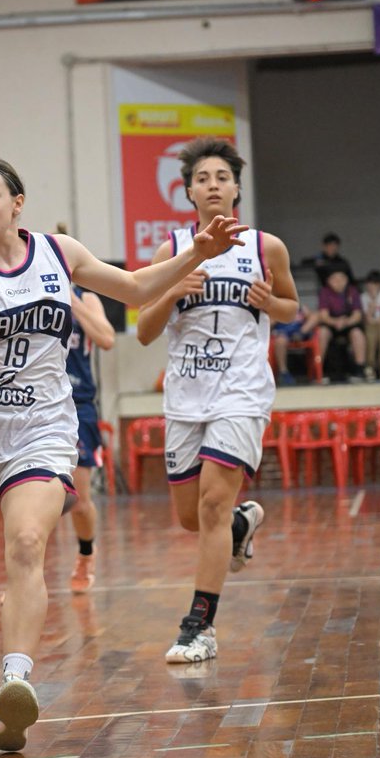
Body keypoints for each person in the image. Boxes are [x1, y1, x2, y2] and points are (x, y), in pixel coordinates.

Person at [0, 154, 251, 754]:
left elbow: (137, 287)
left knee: (29, 544)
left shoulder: (59, 254)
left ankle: (15, 682)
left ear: (17, 203)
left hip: (41, 434)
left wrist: (197, 251)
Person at [136, 138, 299, 665]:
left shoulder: (265, 247)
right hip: (185, 395)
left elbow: (291, 307)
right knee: (194, 517)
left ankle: (198, 628)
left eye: (221, 177)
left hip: (242, 393)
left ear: (235, 189)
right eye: (202, 178)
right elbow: (142, 331)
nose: (212, 185)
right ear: (188, 191)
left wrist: (270, 301)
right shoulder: (172, 252)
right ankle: (239, 525)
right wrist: (171, 291)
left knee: (211, 503)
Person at [65, 286, 115, 592]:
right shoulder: (24, 288)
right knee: (24, 499)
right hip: (34, 404)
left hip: (78, 403)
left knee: (79, 502)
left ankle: (86, 553)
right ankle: (22, 576)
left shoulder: (86, 297)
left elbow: (107, 339)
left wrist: (72, 301)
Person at [317, 269, 369, 382]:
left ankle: (360, 369)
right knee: (322, 333)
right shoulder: (324, 292)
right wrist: (335, 322)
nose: (338, 282)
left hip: (349, 323)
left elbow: (357, 315)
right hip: (331, 323)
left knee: (357, 333)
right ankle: (319, 370)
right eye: (334, 279)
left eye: (341, 278)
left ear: (346, 280)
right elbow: (323, 315)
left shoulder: (352, 291)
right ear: (328, 281)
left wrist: (345, 322)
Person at [271, 306, 320, 386]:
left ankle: (300, 333)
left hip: (299, 333)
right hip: (283, 333)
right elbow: (269, 323)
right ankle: (284, 372)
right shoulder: (276, 308)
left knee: (316, 316)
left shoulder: (300, 308)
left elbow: (314, 318)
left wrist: (302, 331)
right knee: (280, 341)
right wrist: (278, 316)